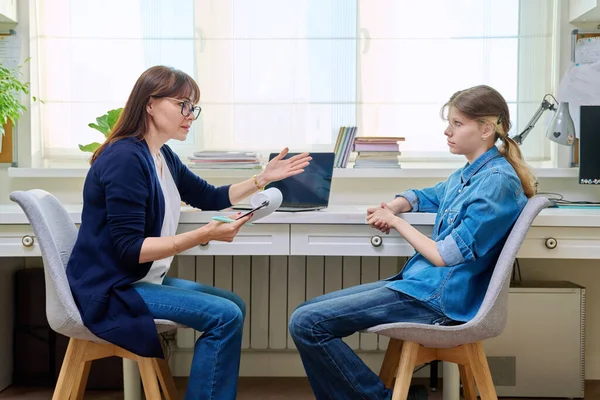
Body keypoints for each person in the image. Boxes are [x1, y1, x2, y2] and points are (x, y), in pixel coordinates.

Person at [66, 65, 311, 400]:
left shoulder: (161, 155)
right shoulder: (125, 158)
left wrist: (262, 178)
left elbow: (208, 196)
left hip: (136, 280)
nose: (189, 115)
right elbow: (129, 249)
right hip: (111, 288)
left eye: (192, 107)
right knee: (224, 316)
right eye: (182, 104)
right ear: (149, 103)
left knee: (232, 303)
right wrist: (203, 235)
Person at [288, 85, 534, 399]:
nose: (447, 131)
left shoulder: (496, 182)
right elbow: (427, 195)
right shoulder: (469, 175)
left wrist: (395, 222)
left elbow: (444, 255)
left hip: (439, 299)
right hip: (420, 285)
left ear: (486, 129)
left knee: (307, 323)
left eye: (457, 124)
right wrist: (395, 204)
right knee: (307, 312)